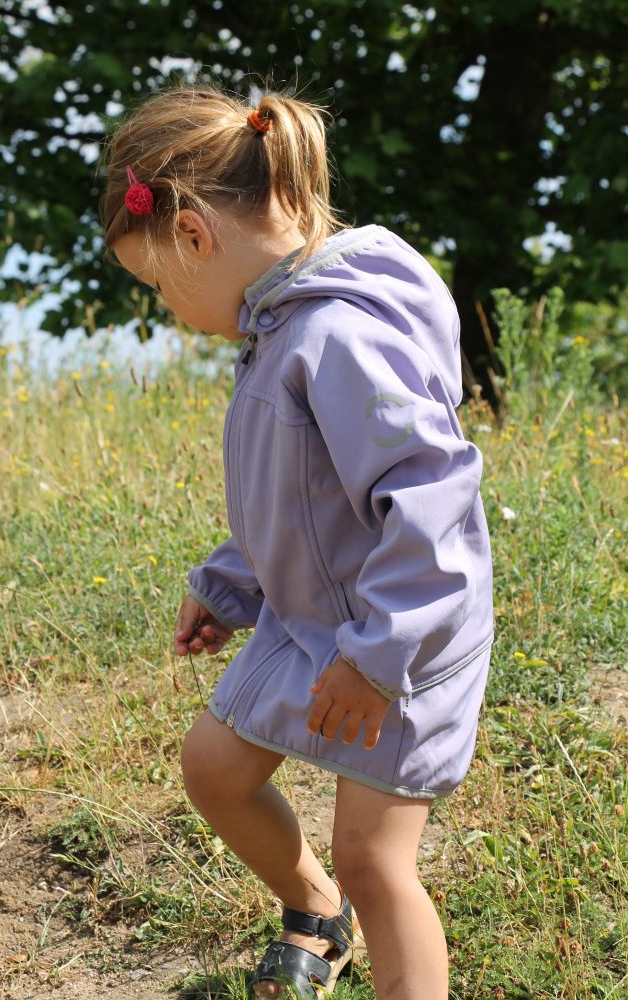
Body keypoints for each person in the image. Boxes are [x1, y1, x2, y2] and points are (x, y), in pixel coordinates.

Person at [102, 85, 494, 1000]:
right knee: (214, 768)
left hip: (402, 633)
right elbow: (302, 492)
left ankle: (362, 915)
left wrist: (380, 656)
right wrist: (230, 583)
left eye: (158, 285)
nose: (167, 307)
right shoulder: (281, 324)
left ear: (195, 235)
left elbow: (433, 502)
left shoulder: (339, 334)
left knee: (375, 860)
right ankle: (316, 911)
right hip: (312, 614)